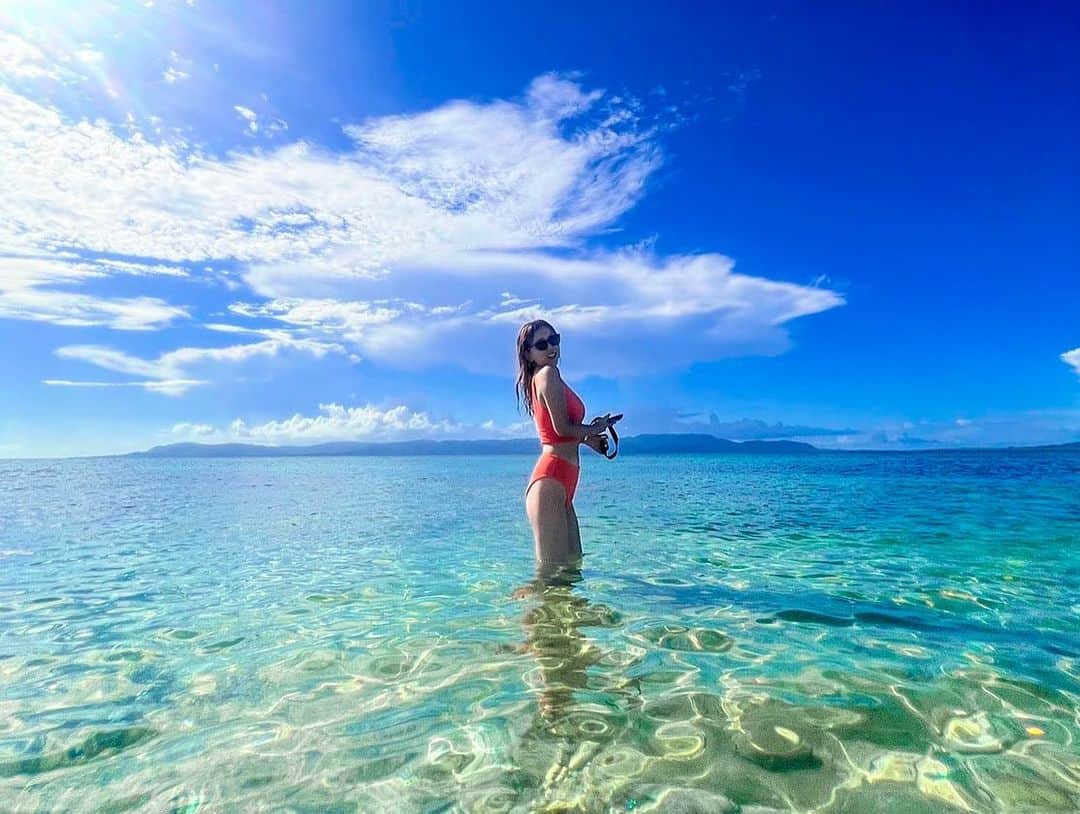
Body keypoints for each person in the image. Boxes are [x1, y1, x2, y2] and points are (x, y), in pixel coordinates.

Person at [516, 319, 619, 566]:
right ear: (529, 354)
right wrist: (595, 428)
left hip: (562, 480)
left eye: (555, 340)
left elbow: (557, 431)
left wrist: (587, 438)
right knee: (551, 576)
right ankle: (510, 602)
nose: (551, 347)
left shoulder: (549, 377)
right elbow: (561, 428)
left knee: (572, 568)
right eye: (542, 344)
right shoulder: (547, 374)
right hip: (551, 478)